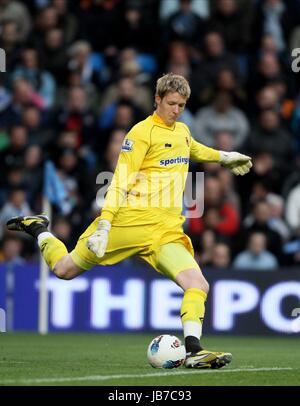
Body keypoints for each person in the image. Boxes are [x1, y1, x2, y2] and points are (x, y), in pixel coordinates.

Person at [7, 73, 252, 369]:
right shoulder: (140, 133)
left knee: (197, 284)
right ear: (157, 100)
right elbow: (121, 180)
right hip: (127, 224)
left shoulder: (182, 131)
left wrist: (224, 157)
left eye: (182, 105)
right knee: (64, 269)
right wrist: (106, 223)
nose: (176, 110)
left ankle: (194, 351)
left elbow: (193, 148)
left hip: (165, 232)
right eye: (171, 103)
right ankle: (39, 229)